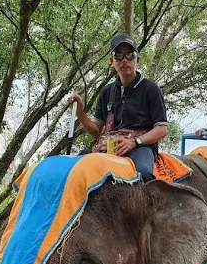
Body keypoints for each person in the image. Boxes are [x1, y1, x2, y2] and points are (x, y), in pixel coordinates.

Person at [68, 33, 168, 182]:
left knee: (143, 173)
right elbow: (96, 130)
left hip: (140, 147)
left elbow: (162, 129)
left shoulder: (150, 89)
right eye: (119, 55)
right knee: (78, 173)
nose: (125, 60)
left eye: (130, 55)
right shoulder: (106, 92)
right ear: (111, 61)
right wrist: (80, 113)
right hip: (108, 146)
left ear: (137, 60)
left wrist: (135, 142)